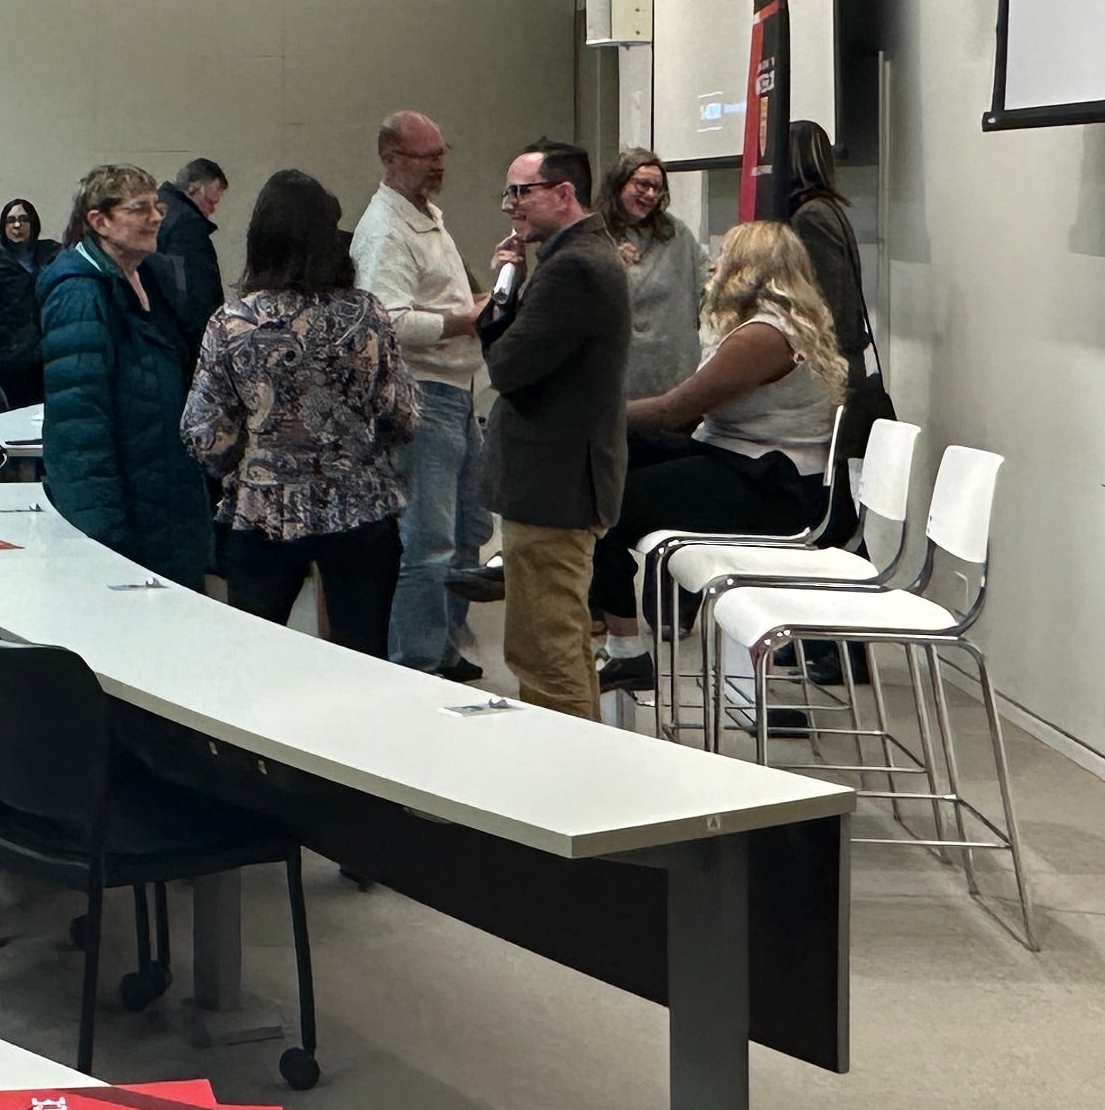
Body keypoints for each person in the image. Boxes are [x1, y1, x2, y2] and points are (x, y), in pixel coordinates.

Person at [593, 222, 847, 691]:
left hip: (772, 487)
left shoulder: (765, 337)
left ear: (748, 268)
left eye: (723, 255)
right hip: (744, 464)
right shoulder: (764, 326)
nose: (712, 263)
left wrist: (587, 412)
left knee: (603, 497)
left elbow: (675, 411)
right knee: (594, 463)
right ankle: (602, 617)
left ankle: (625, 649)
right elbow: (684, 419)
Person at [181, 167, 416, 656]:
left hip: (263, 513)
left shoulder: (232, 323)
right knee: (364, 660)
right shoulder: (366, 315)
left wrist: (248, 462)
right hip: (360, 509)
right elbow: (404, 412)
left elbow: (201, 430)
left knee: (257, 661)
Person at [478, 140, 626, 721]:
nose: (510, 205)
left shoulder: (575, 268)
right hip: (555, 480)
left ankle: (570, 779)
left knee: (547, 650)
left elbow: (509, 367)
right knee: (547, 644)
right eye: (508, 192)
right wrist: (511, 279)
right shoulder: (572, 259)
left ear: (564, 193)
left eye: (522, 192)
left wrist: (503, 292)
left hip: (556, 485)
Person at [354, 110, 492, 679]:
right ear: (390, 158)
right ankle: (417, 664)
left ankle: (442, 645)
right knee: (431, 540)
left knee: (471, 530)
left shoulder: (425, 216)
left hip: (456, 390)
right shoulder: (387, 230)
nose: (438, 165)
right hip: (422, 393)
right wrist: (467, 320)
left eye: (442, 152)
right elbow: (383, 320)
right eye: (425, 155)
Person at [38, 162, 214, 586]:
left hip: (163, 498)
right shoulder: (80, 294)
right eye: (139, 209)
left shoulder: (147, 277)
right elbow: (80, 427)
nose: (156, 217)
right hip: (125, 515)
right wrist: (102, 535)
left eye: (156, 205)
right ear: (99, 221)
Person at [788, 119, 883, 447]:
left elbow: (828, 299)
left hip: (832, 366)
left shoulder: (809, 216)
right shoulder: (828, 210)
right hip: (845, 359)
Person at [606, 146, 704, 393]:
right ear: (619, 184)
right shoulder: (595, 234)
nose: (650, 194)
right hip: (619, 368)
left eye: (657, 188)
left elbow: (706, 282)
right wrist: (606, 262)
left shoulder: (675, 233)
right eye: (641, 185)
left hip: (672, 365)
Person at [145, 157, 228, 372]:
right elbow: (196, 293)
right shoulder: (186, 225)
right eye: (212, 202)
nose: (213, 210)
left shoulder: (154, 209)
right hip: (179, 345)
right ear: (195, 189)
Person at [0, 196, 51, 406]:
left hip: (50, 350)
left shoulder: (51, 254)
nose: (17, 225)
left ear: (33, 223)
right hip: (14, 355)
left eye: (23, 219)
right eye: (11, 220)